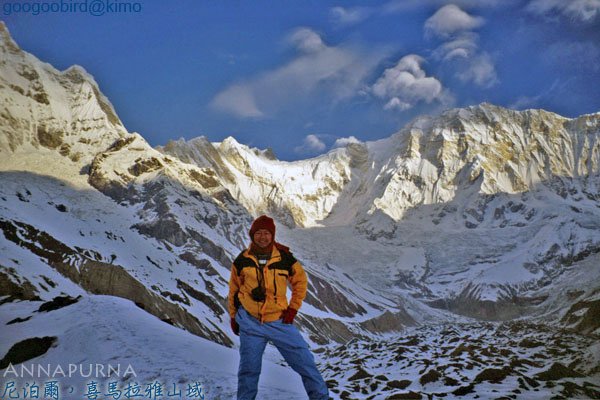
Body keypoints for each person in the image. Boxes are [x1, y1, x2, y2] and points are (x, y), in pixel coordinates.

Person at [228, 215, 329, 400]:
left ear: (272, 235)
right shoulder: (242, 260)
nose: (262, 237)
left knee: (305, 363)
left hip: (279, 321)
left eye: (266, 233)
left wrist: (293, 308)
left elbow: (300, 281)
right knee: (248, 371)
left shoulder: (285, 258)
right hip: (250, 322)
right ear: (252, 235)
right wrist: (234, 317)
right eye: (258, 233)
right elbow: (234, 289)